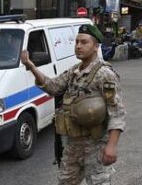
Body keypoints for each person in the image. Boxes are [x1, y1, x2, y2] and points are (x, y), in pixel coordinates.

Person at [20, 24, 126, 185]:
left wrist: (112, 145)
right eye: (76, 42)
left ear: (96, 46)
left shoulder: (105, 74)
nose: (78, 46)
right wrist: (31, 66)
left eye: (84, 42)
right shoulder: (74, 71)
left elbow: (117, 112)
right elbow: (53, 87)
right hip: (73, 144)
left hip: (95, 144)